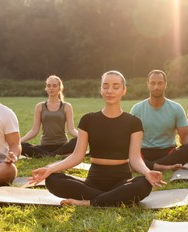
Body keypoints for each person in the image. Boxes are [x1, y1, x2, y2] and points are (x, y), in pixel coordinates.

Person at [30, 70, 166, 207]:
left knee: (144, 184)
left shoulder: (134, 122)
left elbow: (135, 159)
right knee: (52, 179)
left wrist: (147, 172)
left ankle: (89, 202)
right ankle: (114, 199)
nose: (110, 91)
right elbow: (77, 156)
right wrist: (50, 168)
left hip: (121, 181)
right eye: (105, 86)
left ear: (124, 90)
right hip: (93, 182)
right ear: (101, 90)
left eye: (116, 87)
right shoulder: (88, 120)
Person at [130, 69, 188, 171]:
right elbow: (131, 140)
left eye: (160, 83)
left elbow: (185, 136)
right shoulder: (137, 109)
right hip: (144, 152)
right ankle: (162, 167)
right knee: (124, 152)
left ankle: (145, 166)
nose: (156, 87)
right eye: (153, 83)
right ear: (148, 85)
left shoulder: (176, 108)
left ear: (165, 84)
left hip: (168, 153)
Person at [21, 75, 78, 158]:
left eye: (54, 86)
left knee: (77, 141)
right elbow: (34, 130)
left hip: (62, 145)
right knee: (22, 146)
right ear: (46, 88)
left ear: (59, 88)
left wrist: (84, 137)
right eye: (49, 86)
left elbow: (71, 130)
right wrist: (18, 142)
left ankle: (48, 155)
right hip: (44, 146)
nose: (51, 88)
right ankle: (55, 155)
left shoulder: (67, 106)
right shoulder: (40, 106)